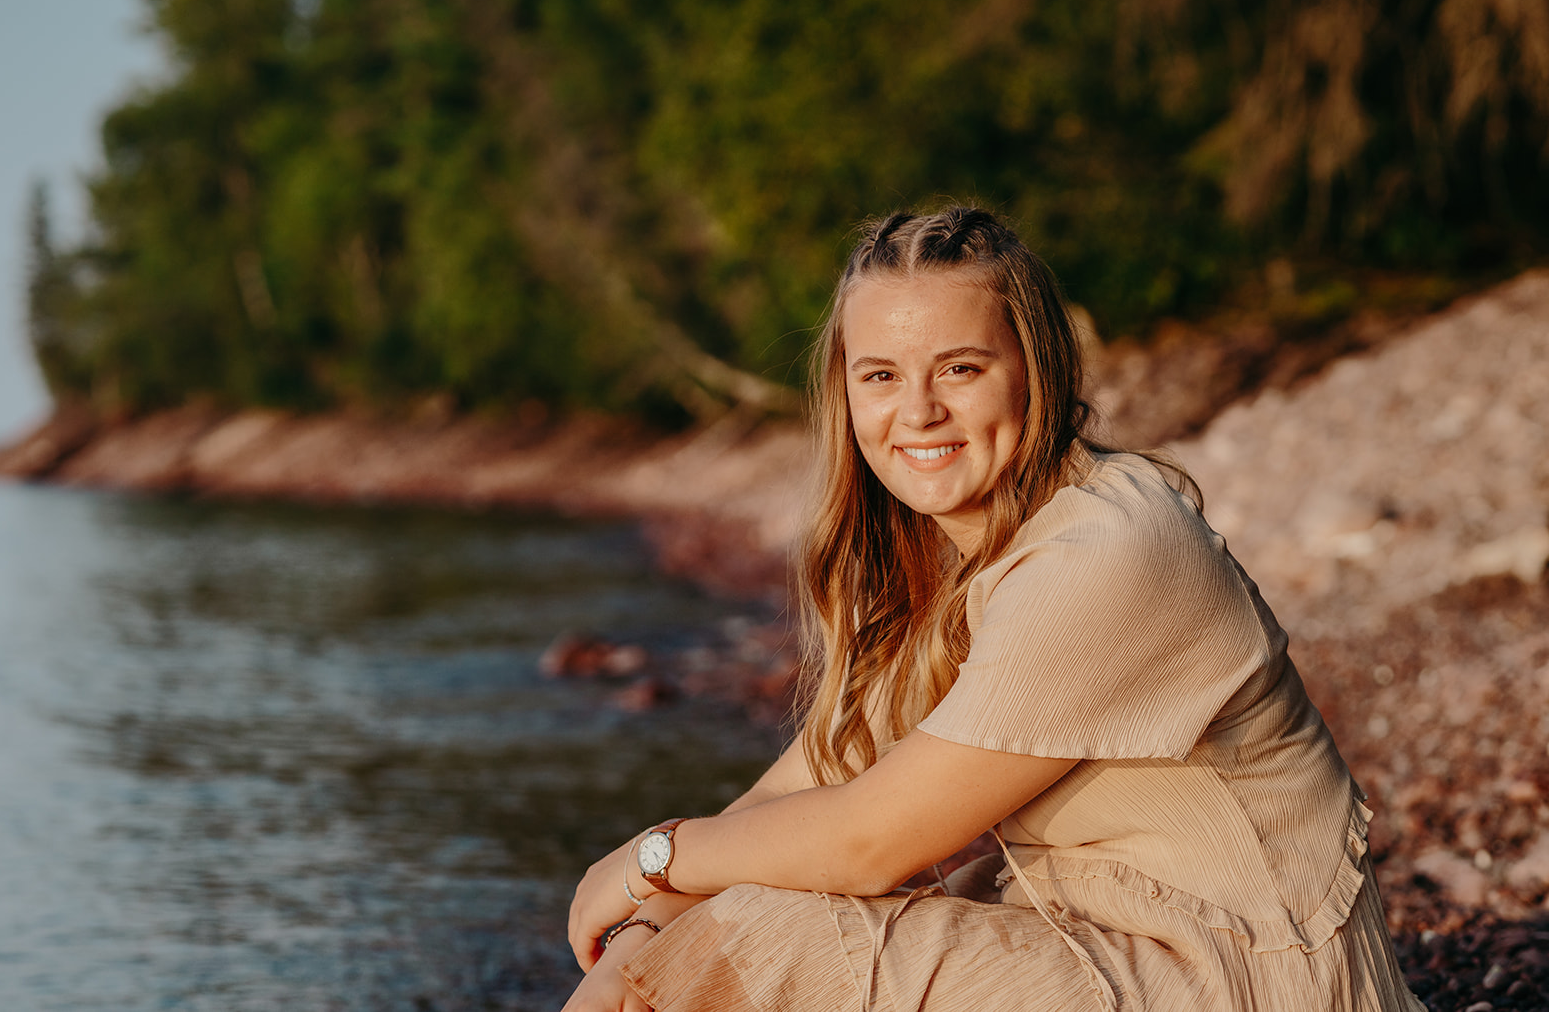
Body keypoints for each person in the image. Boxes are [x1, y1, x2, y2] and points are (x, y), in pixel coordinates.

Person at [561, 206, 1425, 1011]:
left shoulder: (1107, 554)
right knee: (743, 915)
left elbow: (870, 841)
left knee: (774, 935)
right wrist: (650, 919)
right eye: (882, 375)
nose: (919, 411)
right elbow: (822, 771)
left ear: (1035, 371)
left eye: (961, 369)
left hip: (1254, 976)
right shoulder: (966, 551)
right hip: (1124, 933)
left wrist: (654, 855)